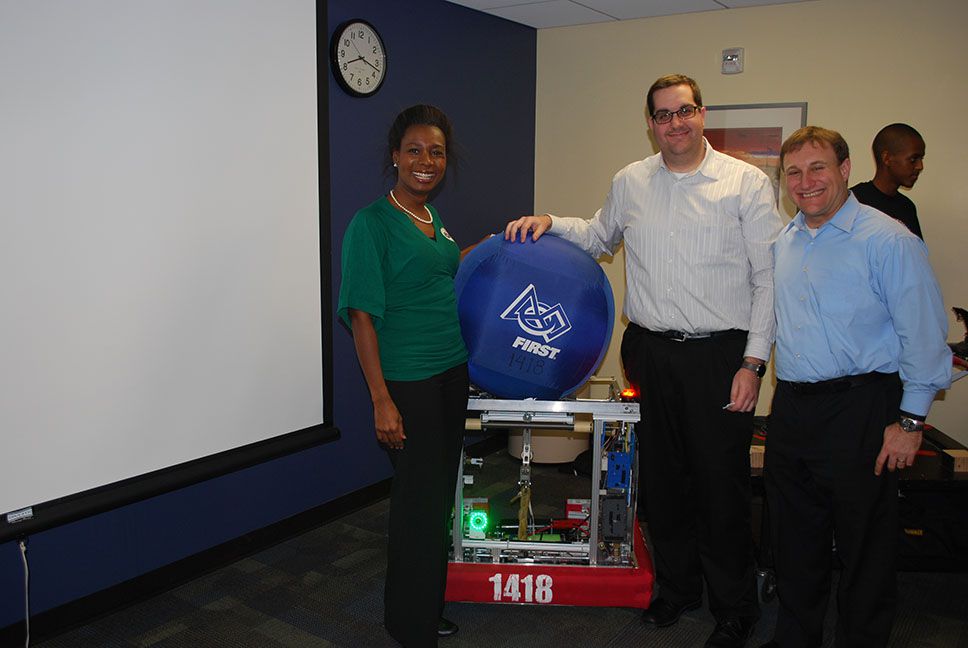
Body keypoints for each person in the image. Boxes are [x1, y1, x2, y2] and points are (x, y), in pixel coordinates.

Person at [505, 74, 784, 648]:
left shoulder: (746, 184)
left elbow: (769, 281)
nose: (674, 123)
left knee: (719, 485)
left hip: (720, 357)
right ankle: (677, 590)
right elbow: (599, 234)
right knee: (663, 484)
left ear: (701, 114)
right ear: (651, 123)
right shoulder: (632, 180)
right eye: (662, 115)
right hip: (652, 352)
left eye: (684, 111)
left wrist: (753, 365)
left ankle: (734, 607)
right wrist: (550, 223)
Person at [762, 126, 950, 648]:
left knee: (866, 547)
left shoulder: (889, 240)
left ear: (845, 170)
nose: (805, 182)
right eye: (793, 173)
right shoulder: (784, 243)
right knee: (794, 542)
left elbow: (925, 337)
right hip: (794, 409)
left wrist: (910, 422)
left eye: (817, 168)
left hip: (863, 407)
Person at [337, 105, 469, 647]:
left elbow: (444, 270)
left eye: (436, 152)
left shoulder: (432, 220)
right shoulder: (372, 223)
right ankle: (411, 626)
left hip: (450, 374)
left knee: (436, 501)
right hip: (408, 383)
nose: (426, 161)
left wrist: (500, 244)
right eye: (414, 150)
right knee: (418, 506)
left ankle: (419, 606)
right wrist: (380, 400)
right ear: (395, 156)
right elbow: (362, 315)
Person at [850, 123, 926, 239]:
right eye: (913, 159)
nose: (920, 166)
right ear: (887, 158)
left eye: (921, 159)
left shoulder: (907, 207)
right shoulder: (853, 201)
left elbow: (914, 254)